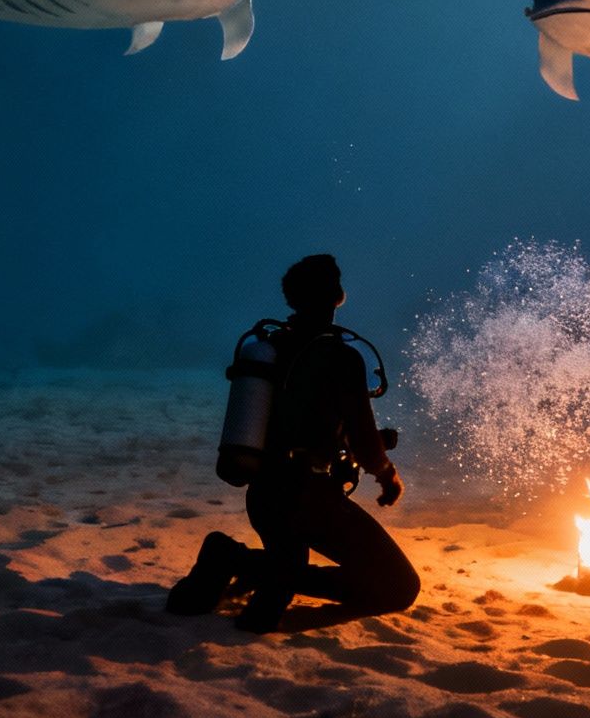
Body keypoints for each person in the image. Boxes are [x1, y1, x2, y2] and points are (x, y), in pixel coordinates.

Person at [167, 254, 420, 632]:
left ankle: (252, 566)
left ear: (291, 299)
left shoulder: (271, 349)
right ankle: (244, 564)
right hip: (310, 502)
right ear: (337, 296)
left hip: (265, 498)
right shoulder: (341, 357)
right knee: (399, 586)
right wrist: (387, 475)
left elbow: (299, 423)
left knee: (272, 598)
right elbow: (364, 442)